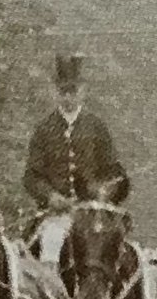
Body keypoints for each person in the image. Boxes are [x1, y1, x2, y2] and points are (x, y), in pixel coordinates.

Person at [22, 52, 126, 261]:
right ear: (55, 93)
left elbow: (113, 171)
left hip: (91, 211)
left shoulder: (96, 127)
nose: (67, 97)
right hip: (56, 215)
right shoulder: (44, 129)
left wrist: (101, 189)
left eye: (72, 91)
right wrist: (50, 196)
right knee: (50, 243)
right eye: (63, 92)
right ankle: (51, 291)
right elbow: (32, 177)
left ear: (83, 91)